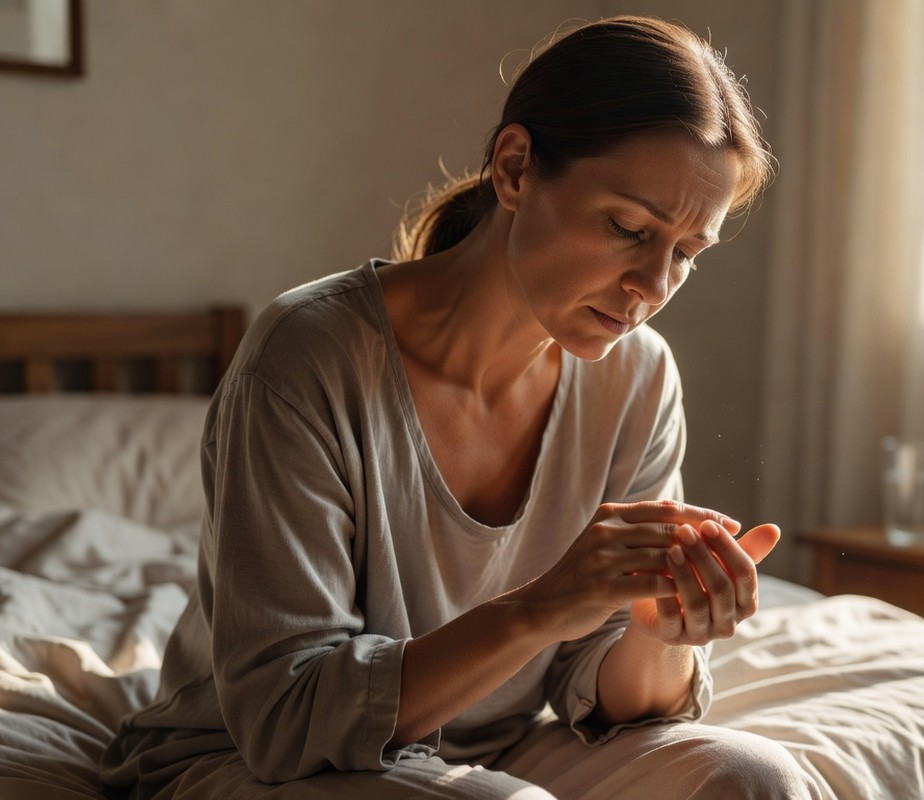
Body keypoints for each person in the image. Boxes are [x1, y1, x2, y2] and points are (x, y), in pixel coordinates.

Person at [101, 15, 818, 799]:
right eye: (627, 228)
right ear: (514, 169)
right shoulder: (307, 354)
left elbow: (612, 696)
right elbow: (283, 716)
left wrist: (657, 633)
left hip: (494, 750)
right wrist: (543, 607)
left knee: (755, 777)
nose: (653, 286)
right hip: (248, 756)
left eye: (684, 253)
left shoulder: (638, 377)